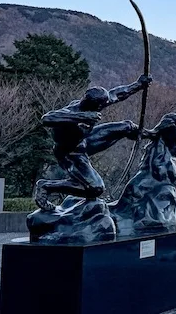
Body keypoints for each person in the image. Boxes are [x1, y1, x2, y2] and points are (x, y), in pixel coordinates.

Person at [33, 74, 152, 211]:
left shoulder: (96, 105)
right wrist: (81, 117)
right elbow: (46, 118)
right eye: (101, 105)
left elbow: (116, 94)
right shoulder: (70, 111)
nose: (104, 106)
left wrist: (138, 85)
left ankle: (151, 134)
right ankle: (46, 186)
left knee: (127, 126)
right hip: (69, 153)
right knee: (96, 188)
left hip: (85, 141)